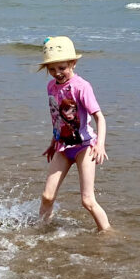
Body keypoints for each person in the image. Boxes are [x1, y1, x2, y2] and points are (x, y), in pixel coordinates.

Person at [37, 36, 110, 232]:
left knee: (87, 200)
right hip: (63, 146)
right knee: (47, 196)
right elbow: (57, 117)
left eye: (62, 68)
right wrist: (54, 141)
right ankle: (43, 230)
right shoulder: (51, 87)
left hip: (84, 147)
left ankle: (108, 232)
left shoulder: (81, 87)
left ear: (73, 63)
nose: (57, 73)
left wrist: (100, 144)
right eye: (52, 69)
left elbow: (100, 117)